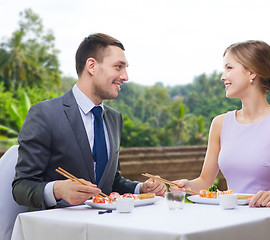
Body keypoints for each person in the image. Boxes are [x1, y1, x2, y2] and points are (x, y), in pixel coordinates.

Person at [12, 33, 166, 210]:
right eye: (118, 67)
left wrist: (140, 188)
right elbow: (21, 187)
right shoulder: (44, 114)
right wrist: (58, 189)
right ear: (91, 66)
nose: (125, 76)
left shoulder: (114, 118)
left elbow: (110, 182)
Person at [170, 40, 270, 207]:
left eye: (229, 68)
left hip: (268, 219)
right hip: (230, 216)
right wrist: (188, 185)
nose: (222, 77)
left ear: (251, 72)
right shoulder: (220, 123)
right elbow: (205, 181)